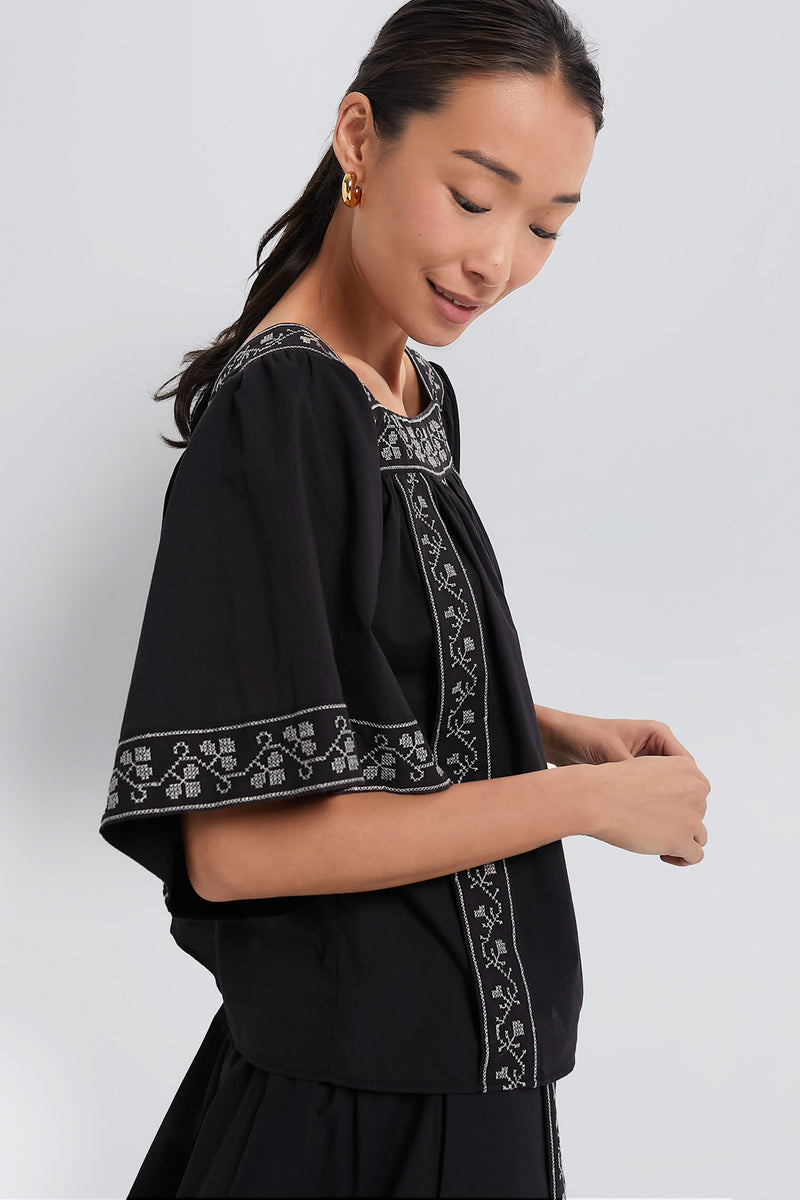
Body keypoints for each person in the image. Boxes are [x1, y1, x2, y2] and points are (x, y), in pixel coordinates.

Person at [99, 1, 711, 1196]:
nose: (499, 260)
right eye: (473, 198)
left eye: (545, 225)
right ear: (360, 140)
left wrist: (541, 727)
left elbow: (348, 662)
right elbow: (237, 850)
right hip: (359, 1110)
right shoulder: (284, 412)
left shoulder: (408, 395)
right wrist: (582, 803)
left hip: (457, 1082)